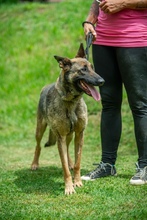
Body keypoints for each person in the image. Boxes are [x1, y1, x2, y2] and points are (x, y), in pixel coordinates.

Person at [81, 0, 147, 185]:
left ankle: (145, 166)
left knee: (140, 104)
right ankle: (107, 164)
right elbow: (97, 2)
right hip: (102, 40)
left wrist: (124, 3)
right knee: (109, 103)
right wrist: (89, 21)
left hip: (135, 38)